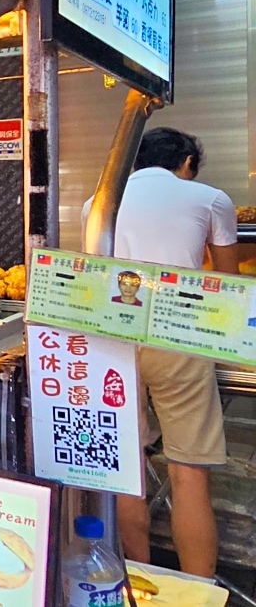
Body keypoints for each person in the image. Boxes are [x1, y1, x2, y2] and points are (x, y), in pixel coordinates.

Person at [83, 126, 238, 578]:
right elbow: (226, 285)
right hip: (178, 334)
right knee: (189, 471)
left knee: (125, 469)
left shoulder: (98, 203)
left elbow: (97, 272)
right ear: (186, 163)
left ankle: (139, 581)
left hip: (111, 337)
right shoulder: (210, 199)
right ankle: (195, 591)